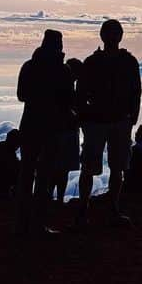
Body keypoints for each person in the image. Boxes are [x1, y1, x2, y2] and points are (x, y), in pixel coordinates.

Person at [75, 19, 142, 227]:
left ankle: (96, 210)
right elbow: (135, 91)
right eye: (111, 34)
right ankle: (93, 210)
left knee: (113, 167)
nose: (113, 38)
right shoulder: (123, 62)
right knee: (102, 167)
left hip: (111, 121)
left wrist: (132, 117)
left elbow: (135, 91)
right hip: (106, 121)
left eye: (115, 34)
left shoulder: (97, 62)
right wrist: (132, 116)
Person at [16, 29, 75, 235]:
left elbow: (21, 95)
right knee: (44, 176)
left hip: (30, 125)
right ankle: (38, 223)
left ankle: (21, 222)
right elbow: (69, 102)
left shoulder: (29, 66)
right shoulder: (64, 71)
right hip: (52, 128)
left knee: (26, 173)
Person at [52, 57, 83, 203]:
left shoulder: (58, 87)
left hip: (60, 131)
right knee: (61, 169)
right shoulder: (69, 90)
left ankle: (52, 198)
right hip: (66, 132)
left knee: (57, 168)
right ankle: (57, 199)